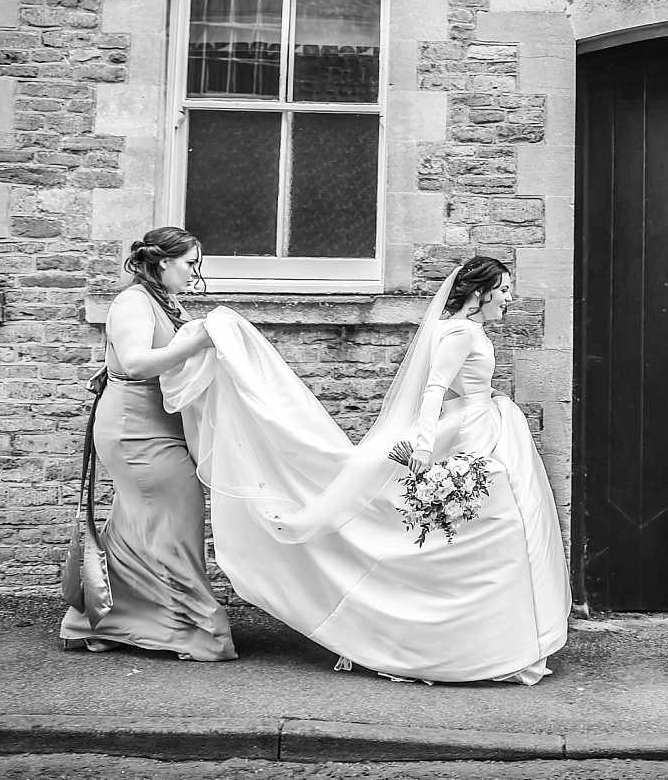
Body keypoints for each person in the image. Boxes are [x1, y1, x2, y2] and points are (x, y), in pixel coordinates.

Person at [159, 255, 570, 683]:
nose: (509, 298)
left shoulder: (470, 330)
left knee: (497, 532)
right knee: (498, 530)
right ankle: (476, 646)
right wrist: (424, 447)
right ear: (480, 292)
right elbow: (434, 390)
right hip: (469, 435)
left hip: (484, 429)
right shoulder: (460, 332)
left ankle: (501, 643)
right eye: (503, 290)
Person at [60, 227, 237, 661]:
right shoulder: (133, 302)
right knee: (177, 519)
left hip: (158, 424)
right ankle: (194, 627)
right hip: (134, 430)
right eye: (190, 263)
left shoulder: (164, 301)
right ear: (163, 263)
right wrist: (196, 341)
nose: (195, 272)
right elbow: (137, 363)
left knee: (138, 526)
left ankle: (97, 621)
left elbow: (139, 357)